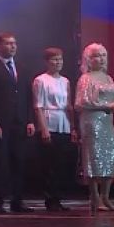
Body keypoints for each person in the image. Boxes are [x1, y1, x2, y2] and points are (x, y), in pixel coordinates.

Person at [0, 33, 35, 213]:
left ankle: (17, 200)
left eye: (14, 43)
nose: (13, 46)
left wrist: (30, 120)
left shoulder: (22, 68)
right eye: (8, 43)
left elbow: (28, 97)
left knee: (19, 161)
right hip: (1, 123)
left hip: (20, 122)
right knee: (0, 161)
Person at [75, 43, 114, 215]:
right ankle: (94, 196)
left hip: (107, 121)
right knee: (94, 157)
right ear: (89, 59)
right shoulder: (85, 78)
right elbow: (81, 103)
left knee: (110, 156)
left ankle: (106, 196)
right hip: (92, 121)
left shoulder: (108, 78)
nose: (100, 59)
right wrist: (108, 105)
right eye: (96, 56)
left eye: (103, 55)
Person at [33, 47, 78, 212]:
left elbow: (69, 105)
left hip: (63, 123)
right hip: (49, 121)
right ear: (47, 62)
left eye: (60, 59)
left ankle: (58, 197)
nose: (58, 62)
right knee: (50, 164)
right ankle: (50, 198)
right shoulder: (40, 80)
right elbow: (38, 106)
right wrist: (43, 128)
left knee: (61, 163)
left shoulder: (65, 81)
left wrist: (73, 127)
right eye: (54, 59)